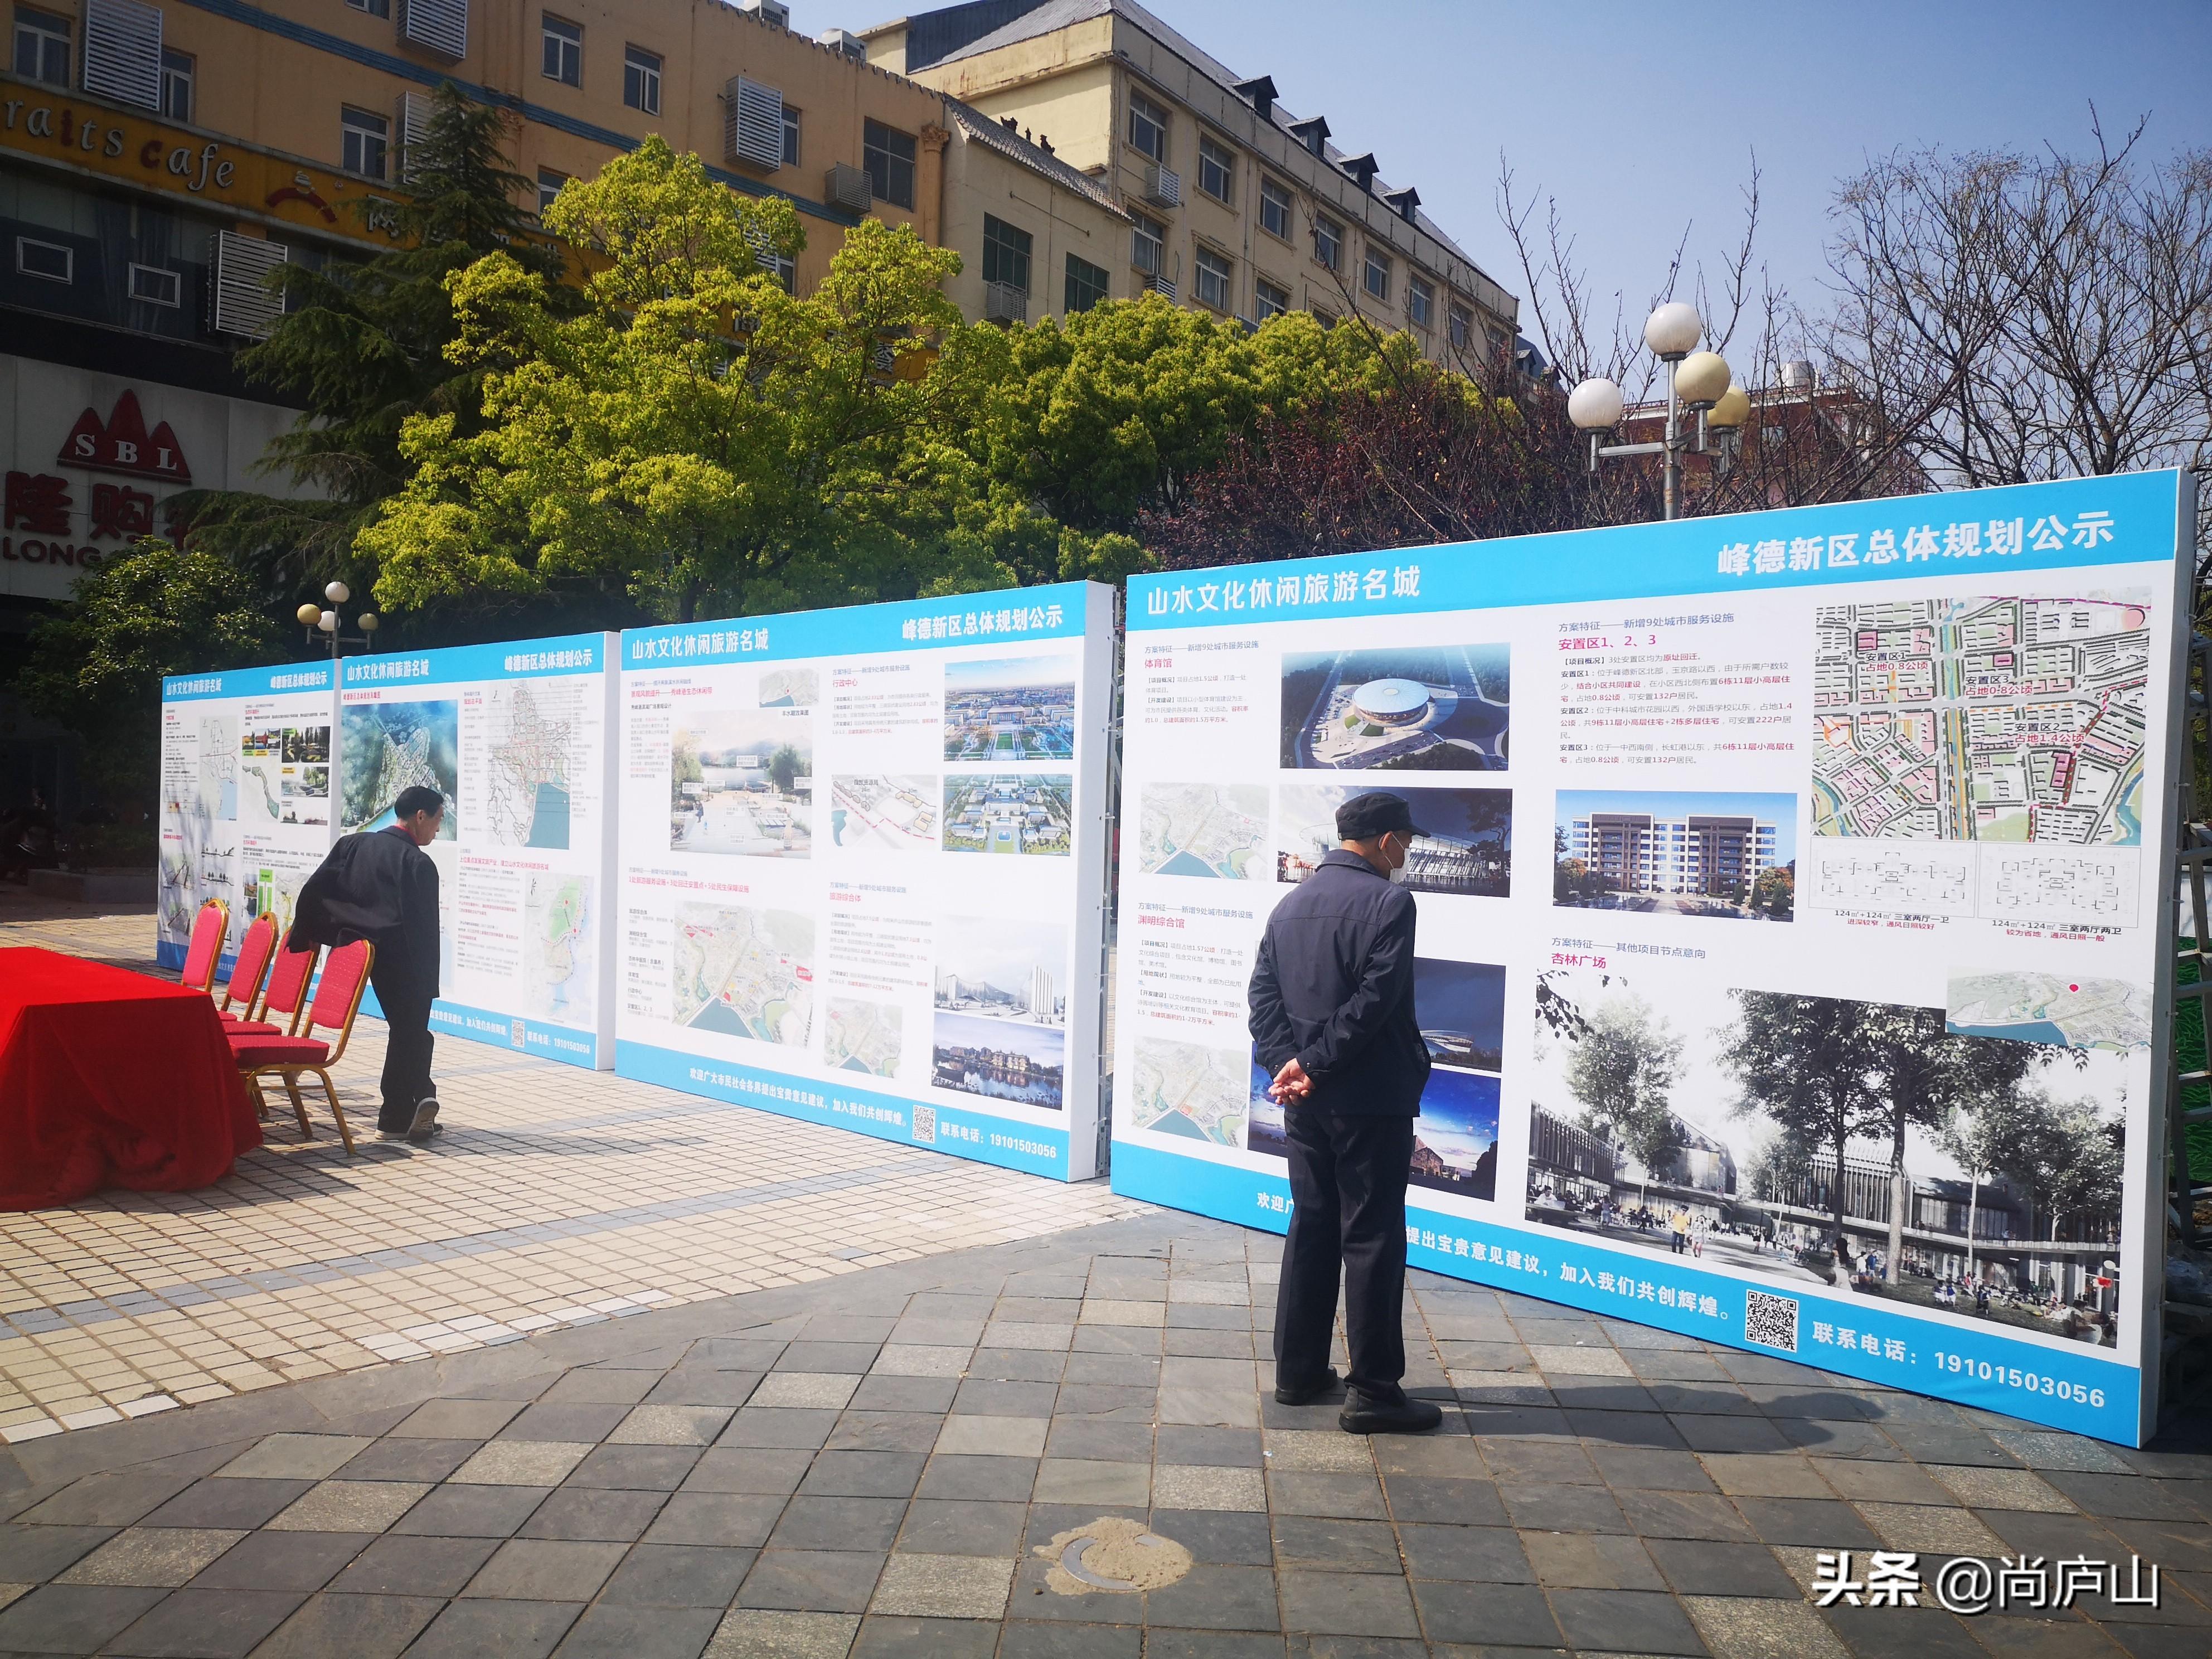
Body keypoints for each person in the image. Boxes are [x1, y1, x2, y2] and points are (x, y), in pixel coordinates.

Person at [1248, 789, 1440, 1436]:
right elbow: (1373, 1002)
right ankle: (1374, 1394)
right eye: (1405, 843)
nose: (1406, 854)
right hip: (1370, 1100)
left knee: (1311, 1226)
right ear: (1385, 841)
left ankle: (1297, 1374)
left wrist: (1289, 1066)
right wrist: (1314, 1064)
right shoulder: (1389, 901)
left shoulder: (1291, 902)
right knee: (1372, 1237)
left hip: (1306, 1103)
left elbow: (1262, 998)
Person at [293, 784, 446, 1143]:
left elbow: (315, 892)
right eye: (438, 820)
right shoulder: (419, 864)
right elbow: (423, 932)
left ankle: (407, 1108)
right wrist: (429, 984)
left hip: (355, 952)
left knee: (410, 1034)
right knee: (411, 1031)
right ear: (420, 816)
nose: (439, 829)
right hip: (401, 960)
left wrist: (312, 935)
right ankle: (405, 1107)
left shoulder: (353, 845)